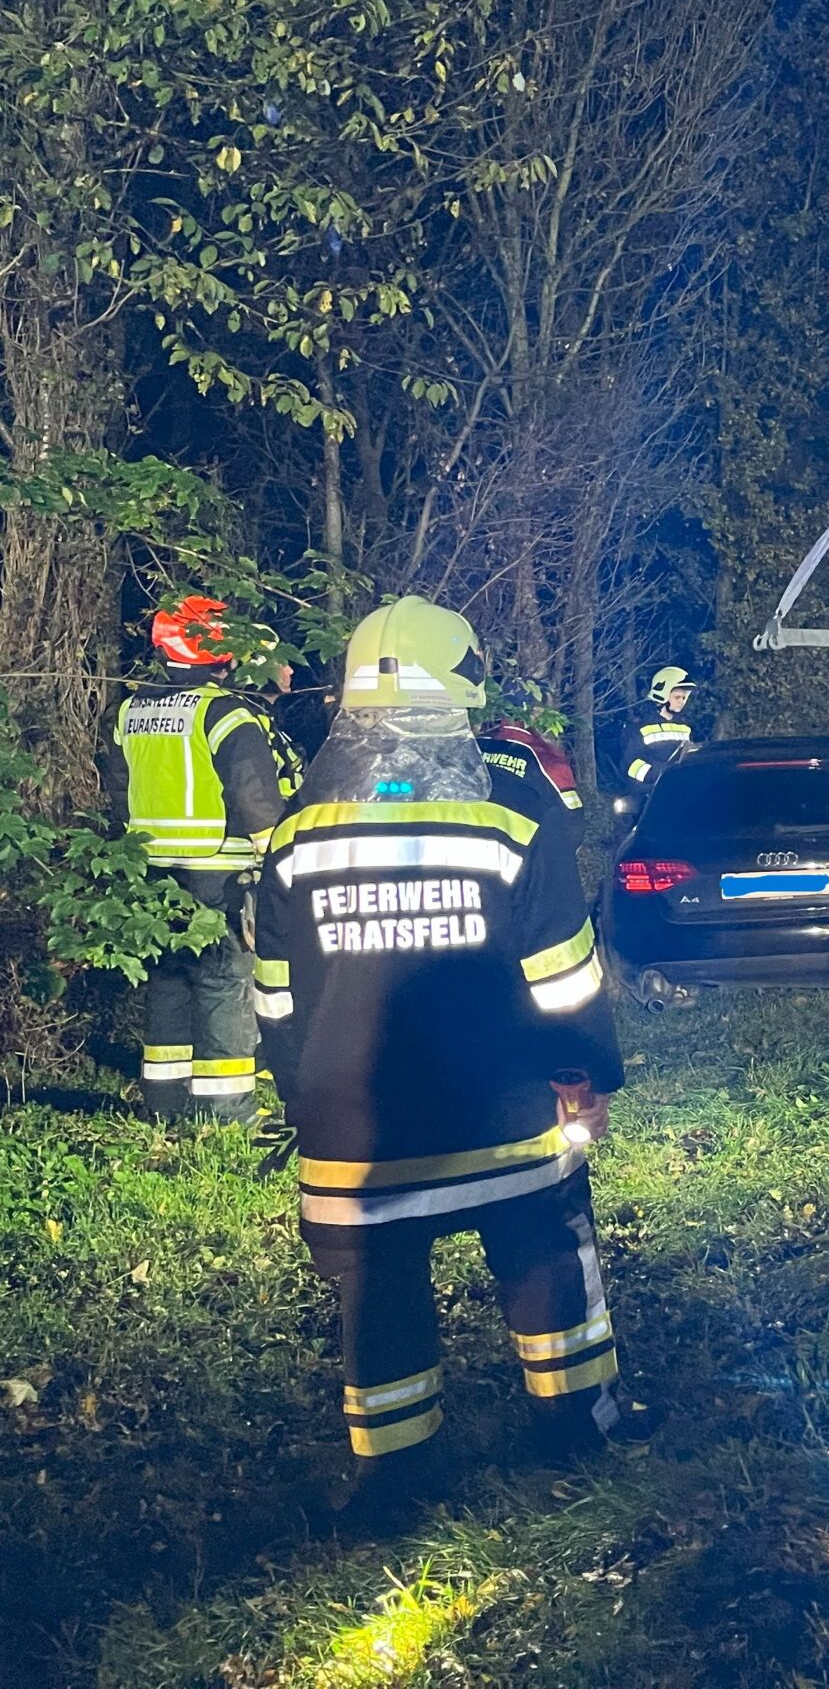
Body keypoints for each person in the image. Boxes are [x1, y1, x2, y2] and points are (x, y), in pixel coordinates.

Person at [253, 597, 649, 1521]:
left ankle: (397, 1476)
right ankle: (578, 1425)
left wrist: (302, 1095)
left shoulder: (295, 837)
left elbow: (273, 997)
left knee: (376, 1296)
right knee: (548, 1255)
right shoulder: (512, 817)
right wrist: (587, 1079)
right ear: (466, 688)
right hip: (502, 1118)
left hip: (355, 1134)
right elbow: (565, 980)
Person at [102, 598, 289, 1123]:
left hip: (150, 875)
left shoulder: (130, 710)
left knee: (167, 983)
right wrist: (275, 867)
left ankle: (165, 1103)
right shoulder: (225, 712)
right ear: (218, 650)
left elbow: (120, 791)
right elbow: (254, 799)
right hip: (218, 872)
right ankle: (227, 1112)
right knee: (223, 984)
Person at [477, 678, 585, 837]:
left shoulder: (477, 746)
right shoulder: (547, 760)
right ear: (535, 712)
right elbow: (573, 824)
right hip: (523, 855)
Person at [616, 664, 697, 797]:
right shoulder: (639, 728)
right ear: (663, 694)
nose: (681, 702)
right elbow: (630, 764)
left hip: (681, 793)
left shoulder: (686, 728)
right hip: (649, 797)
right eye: (677, 697)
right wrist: (658, 775)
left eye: (684, 698)